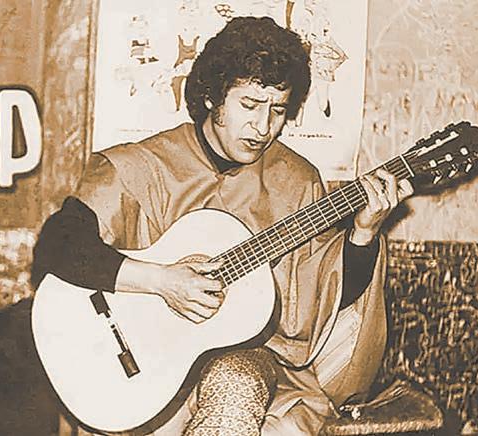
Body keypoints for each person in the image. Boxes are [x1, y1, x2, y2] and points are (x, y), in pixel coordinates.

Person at [32, 16, 413, 436]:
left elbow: (325, 293)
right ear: (212, 96)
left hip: (250, 359)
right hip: (147, 364)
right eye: (249, 105)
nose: (263, 127)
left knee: (237, 385)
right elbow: (58, 246)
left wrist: (363, 234)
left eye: (278, 110)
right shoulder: (141, 165)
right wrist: (162, 281)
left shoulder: (296, 180)